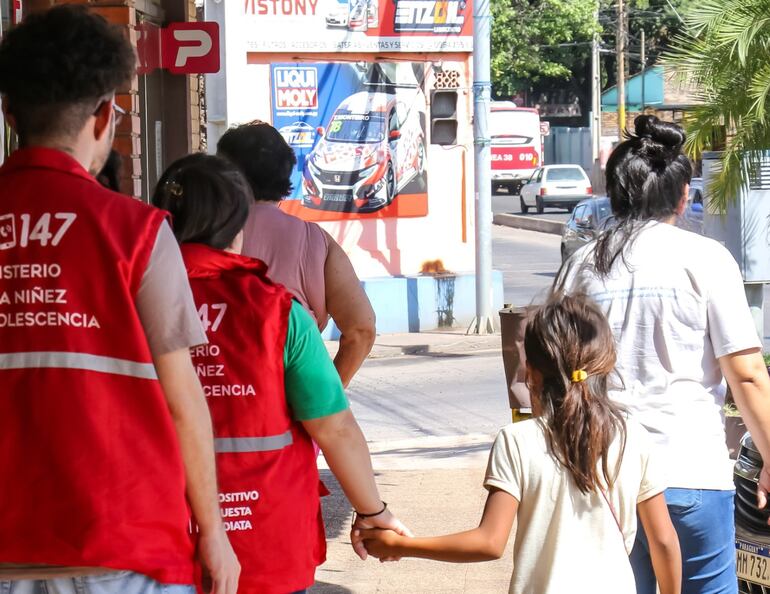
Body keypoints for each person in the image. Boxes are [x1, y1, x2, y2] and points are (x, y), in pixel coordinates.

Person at [0, 6, 239, 594]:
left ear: (10, 113)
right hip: (123, 542)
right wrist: (213, 531)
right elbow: (184, 400)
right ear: (107, 115)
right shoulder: (134, 230)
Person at [152, 153, 410, 594]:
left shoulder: (129, 305)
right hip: (265, 539)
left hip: (157, 536)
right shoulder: (277, 311)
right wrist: (372, 510)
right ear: (238, 225)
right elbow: (335, 429)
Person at [555, 115, 770, 594]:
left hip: (603, 478)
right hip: (690, 471)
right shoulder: (707, 260)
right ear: (684, 194)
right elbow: (748, 375)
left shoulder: (579, 268)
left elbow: (553, 378)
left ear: (612, 194)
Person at [358, 294, 681, 594]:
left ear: (531, 371)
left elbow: (489, 542)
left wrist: (399, 545)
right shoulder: (631, 436)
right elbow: (663, 541)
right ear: (606, 361)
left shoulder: (517, 441)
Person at [217, 121, 375, 387]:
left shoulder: (205, 235)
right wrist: (327, 396)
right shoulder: (316, 241)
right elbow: (361, 329)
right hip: (295, 393)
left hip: (223, 393)